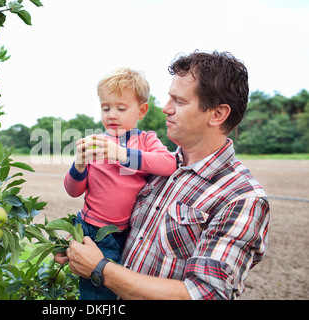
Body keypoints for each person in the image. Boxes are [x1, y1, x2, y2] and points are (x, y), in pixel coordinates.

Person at [56, 51, 270, 300]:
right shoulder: (158, 169)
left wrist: (100, 268)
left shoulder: (242, 198)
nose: (165, 108)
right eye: (169, 98)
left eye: (179, 101)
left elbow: (206, 294)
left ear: (217, 114)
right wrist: (83, 242)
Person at [64, 67, 177, 299]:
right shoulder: (95, 143)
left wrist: (121, 153)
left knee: (116, 288)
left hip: (123, 234)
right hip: (91, 228)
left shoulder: (146, 140)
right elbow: (73, 191)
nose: (111, 115)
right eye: (105, 108)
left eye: (121, 108)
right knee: (96, 293)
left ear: (142, 110)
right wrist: (79, 165)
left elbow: (169, 163)